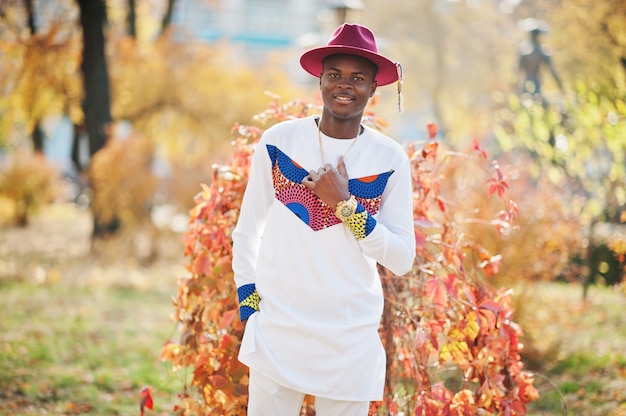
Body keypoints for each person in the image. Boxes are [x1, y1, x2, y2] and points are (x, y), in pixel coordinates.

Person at [231, 23, 416, 416]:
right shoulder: (279, 142)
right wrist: (250, 308)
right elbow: (248, 231)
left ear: (374, 88)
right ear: (319, 81)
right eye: (334, 75)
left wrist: (346, 205)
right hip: (277, 333)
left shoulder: (389, 158)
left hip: (350, 340)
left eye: (357, 78)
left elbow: (401, 259)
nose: (344, 85)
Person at [517, 18, 563, 101]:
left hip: (527, 84)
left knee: (528, 104)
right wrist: (561, 86)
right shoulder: (541, 51)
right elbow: (552, 71)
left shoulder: (524, 51)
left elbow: (518, 70)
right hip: (535, 83)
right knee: (538, 102)